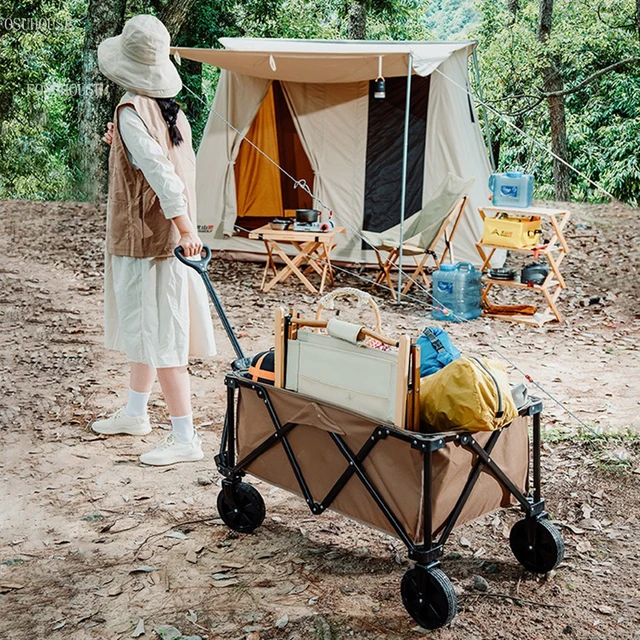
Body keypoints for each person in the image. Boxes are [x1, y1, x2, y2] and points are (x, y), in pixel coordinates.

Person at [90, 14, 216, 466]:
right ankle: (135, 413)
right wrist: (121, 146)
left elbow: (164, 175)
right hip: (160, 237)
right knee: (148, 328)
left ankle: (185, 438)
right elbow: (160, 163)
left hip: (151, 241)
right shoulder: (169, 111)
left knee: (162, 336)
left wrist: (186, 230)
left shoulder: (131, 111)